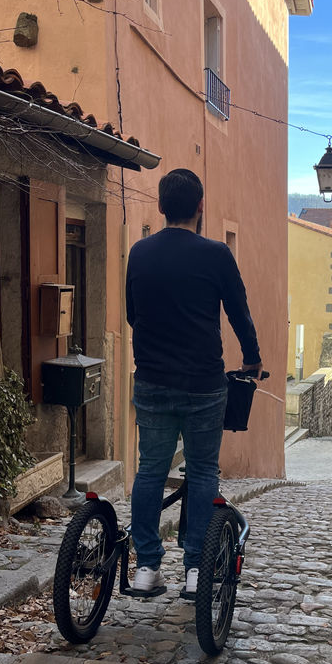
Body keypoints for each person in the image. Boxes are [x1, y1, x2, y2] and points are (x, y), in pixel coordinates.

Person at [126, 168, 262, 598]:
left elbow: (133, 314)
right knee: (203, 471)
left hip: (152, 379)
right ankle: (195, 571)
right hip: (204, 383)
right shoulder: (217, 254)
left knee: (150, 468)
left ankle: (146, 567)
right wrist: (253, 360)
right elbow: (239, 314)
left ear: (161, 207)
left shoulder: (140, 252)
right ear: (200, 207)